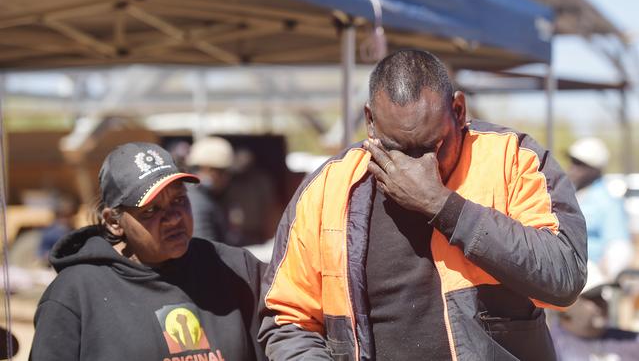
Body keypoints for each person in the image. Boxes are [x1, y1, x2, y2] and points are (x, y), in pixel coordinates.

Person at [259, 50, 587, 360]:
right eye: (398, 149)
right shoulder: (328, 189)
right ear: (370, 121)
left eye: (433, 147)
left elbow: (564, 276)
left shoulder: (512, 159)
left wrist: (443, 206)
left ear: (458, 111)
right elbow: (288, 320)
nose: (418, 167)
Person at [30, 142, 266, 361]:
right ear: (114, 221)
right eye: (152, 210)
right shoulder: (75, 293)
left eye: (179, 200)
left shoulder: (235, 269)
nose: (174, 218)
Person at [567, 137, 632, 280]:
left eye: (580, 164)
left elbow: (618, 247)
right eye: (573, 161)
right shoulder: (569, 193)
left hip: (589, 278)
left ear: (595, 169)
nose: (573, 168)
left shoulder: (608, 200)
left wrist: (605, 282)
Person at [186, 136, 238, 245]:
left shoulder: (206, 196)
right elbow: (205, 250)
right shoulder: (196, 201)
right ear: (207, 169)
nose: (228, 178)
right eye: (224, 172)